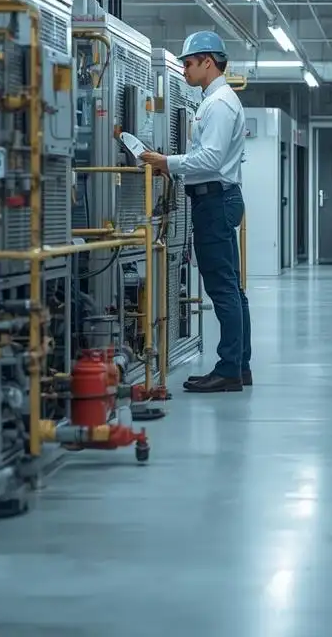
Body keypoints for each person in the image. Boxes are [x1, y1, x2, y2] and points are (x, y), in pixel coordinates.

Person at [140, 30, 251, 394]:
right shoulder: (216, 100)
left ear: (208, 62)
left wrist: (166, 162)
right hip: (218, 198)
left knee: (222, 287)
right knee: (231, 287)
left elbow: (211, 159)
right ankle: (239, 365)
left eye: (189, 63)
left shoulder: (219, 103)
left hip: (215, 200)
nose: (185, 70)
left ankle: (229, 369)